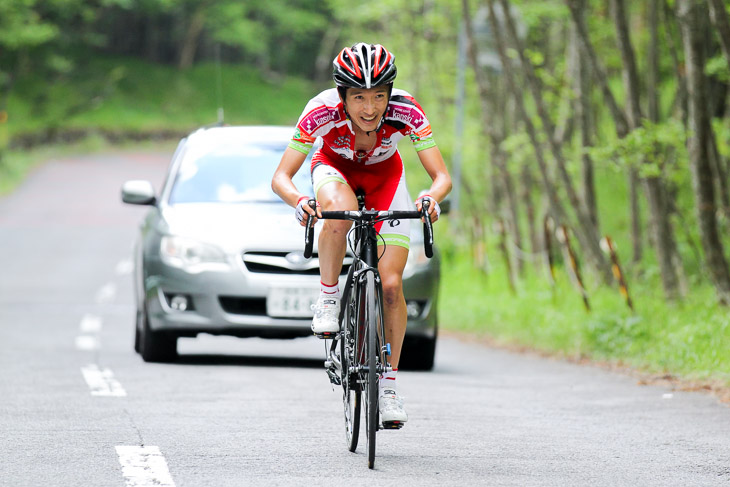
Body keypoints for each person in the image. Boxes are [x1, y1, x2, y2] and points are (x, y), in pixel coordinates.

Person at [271, 42, 451, 425]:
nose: (370, 108)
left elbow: (441, 178)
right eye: (359, 98)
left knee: (390, 287)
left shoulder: (407, 110)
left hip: (387, 178)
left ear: (390, 94)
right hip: (334, 169)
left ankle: (387, 388)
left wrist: (430, 198)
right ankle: (329, 298)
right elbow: (281, 177)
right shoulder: (319, 111)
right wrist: (300, 200)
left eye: (378, 97)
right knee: (337, 211)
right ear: (342, 96)